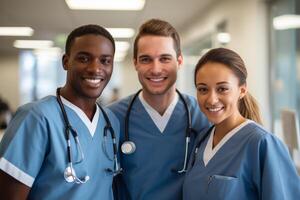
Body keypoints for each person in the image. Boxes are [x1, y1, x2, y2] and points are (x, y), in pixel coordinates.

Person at [0, 24, 120, 200]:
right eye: (84, 58)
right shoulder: (36, 117)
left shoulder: (111, 122)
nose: (95, 68)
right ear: (66, 61)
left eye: (105, 60)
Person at [108, 19, 209, 200]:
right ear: (135, 63)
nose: (155, 69)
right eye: (146, 59)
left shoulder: (202, 116)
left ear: (179, 61)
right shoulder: (112, 117)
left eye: (164, 58)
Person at [183, 48, 300, 200]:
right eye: (203, 89)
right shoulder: (201, 141)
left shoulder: (262, 144)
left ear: (242, 90)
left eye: (222, 89)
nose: (211, 99)